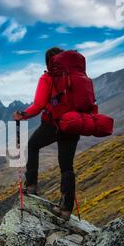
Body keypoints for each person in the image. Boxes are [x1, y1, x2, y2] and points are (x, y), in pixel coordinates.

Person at [13, 47, 79, 221]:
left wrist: (23, 115)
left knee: (33, 145)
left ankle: (32, 186)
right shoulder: (76, 76)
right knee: (67, 166)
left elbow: (39, 104)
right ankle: (66, 209)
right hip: (74, 124)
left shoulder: (48, 78)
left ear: (48, 62)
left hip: (54, 124)